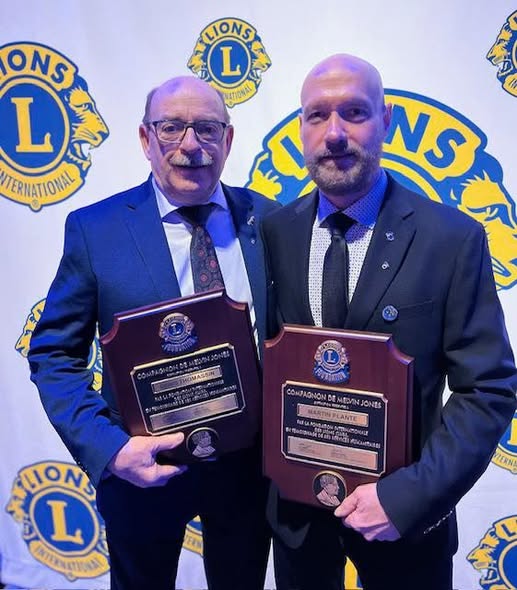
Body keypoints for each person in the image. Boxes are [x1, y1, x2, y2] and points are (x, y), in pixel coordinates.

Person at [261, 54, 517, 590]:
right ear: (301, 128)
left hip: (406, 530)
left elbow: (487, 389)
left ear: (386, 121)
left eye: (354, 112)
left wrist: (407, 499)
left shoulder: (451, 238)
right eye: (317, 115)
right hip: (299, 525)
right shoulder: (275, 232)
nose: (334, 133)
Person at [28, 75, 280, 590]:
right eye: (171, 128)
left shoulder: (270, 220)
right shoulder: (95, 230)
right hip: (143, 468)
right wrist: (110, 449)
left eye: (207, 128)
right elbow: (54, 354)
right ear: (146, 139)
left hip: (248, 470)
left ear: (228, 139)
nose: (191, 145)